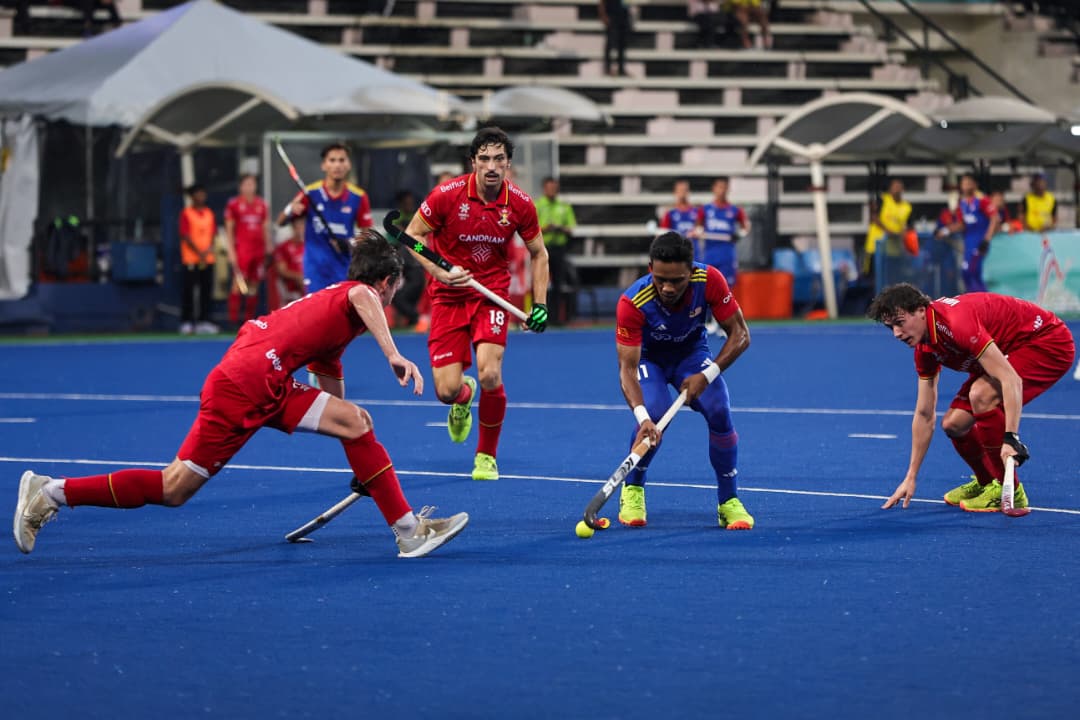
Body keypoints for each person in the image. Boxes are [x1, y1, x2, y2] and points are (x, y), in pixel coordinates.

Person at [13, 231, 469, 559]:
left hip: (258, 379)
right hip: (248, 381)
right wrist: (393, 354)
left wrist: (365, 465)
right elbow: (363, 298)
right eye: (394, 287)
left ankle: (408, 530)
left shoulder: (336, 320)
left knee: (354, 422)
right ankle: (54, 493)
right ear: (387, 283)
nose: (391, 296)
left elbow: (341, 410)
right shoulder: (357, 295)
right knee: (173, 487)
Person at [402, 126, 550, 481]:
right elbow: (411, 236)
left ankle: (486, 455)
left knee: (490, 372)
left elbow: (539, 254)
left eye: (499, 159)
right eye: (484, 159)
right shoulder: (446, 195)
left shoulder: (520, 203)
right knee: (446, 391)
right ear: (473, 162)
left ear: (508, 163)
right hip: (448, 296)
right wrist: (437, 271)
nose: (492, 166)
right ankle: (463, 396)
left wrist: (540, 304)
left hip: (491, 295)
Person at [867, 283, 1075, 512]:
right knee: (954, 424)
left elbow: (1010, 379)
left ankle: (1010, 492)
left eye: (900, 322)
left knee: (981, 395)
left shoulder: (955, 323)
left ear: (920, 310)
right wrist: (911, 476)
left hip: (1047, 341)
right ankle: (987, 482)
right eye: (890, 327)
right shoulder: (925, 349)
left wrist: (1011, 437)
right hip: (1007, 351)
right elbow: (925, 414)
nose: (896, 334)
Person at [614, 231, 754, 529]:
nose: (667, 287)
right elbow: (627, 368)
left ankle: (728, 500)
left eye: (676, 281)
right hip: (649, 359)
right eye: (660, 279)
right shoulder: (633, 301)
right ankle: (633, 489)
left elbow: (740, 334)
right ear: (650, 269)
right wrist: (642, 418)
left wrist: (708, 374)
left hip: (692, 355)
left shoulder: (710, 280)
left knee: (719, 409)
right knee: (655, 412)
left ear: (691, 272)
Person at [275, 142, 374, 295]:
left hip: (345, 268)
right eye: (332, 160)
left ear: (348, 165)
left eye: (342, 160)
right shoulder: (310, 193)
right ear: (324, 165)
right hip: (315, 271)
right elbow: (280, 222)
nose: (337, 165)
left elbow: (368, 236)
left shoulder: (359, 197)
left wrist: (349, 243)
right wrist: (289, 209)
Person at [224, 174, 272, 326]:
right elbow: (229, 230)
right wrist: (231, 251)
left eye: (252, 184)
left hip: (258, 250)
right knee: (238, 284)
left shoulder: (262, 205)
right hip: (242, 251)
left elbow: (265, 228)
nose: (250, 187)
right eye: (246, 184)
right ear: (241, 187)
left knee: (254, 285)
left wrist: (268, 247)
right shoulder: (234, 205)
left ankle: (248, 321)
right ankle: (232, 322)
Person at [535, 176, 577, 325]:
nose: (552, 190)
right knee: (540, 283)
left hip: (559, 249)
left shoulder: (564, 206)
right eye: (549, 188)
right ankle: (539, 317)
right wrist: (545, 229)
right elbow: (531, 228)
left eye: (554, 188)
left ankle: (556, 318)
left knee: (558, 283)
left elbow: (571, 228)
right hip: (541, 249)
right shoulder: (537, 205)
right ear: (544, 189)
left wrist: (560, 228)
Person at [694, 176, 749, 288]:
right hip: (710, 255)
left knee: (726, 288)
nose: (722, 190)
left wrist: (739, 234)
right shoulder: (705, 209)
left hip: (727, 255)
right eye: (719, 187)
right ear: (714, 188)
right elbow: (698, 227)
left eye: (724, 187)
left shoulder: (735, 210)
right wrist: (698, 232)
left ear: (728, 189)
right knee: (708, 287)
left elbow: (745, 227)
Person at [178, 183, 218, 336]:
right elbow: (185, 235)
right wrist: (199, 252)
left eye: (202, 193)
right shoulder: (186, 213)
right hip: (191, 260)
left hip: (207, 259)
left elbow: (213, 234)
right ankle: (186, 322)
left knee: (206, 291)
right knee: (188, 291)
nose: (201, 196)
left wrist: (207, 251)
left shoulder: (209, 213)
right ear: (192, 197)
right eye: (197, 194)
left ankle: (204, 321)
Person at [948, 173, 999, 293]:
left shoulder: (982, 201)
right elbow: (961, 224)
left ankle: (984, 300)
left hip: (979, 241)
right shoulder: (962, 204)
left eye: (969, 183)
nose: (966, 186)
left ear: (975, 185)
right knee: (966, 273)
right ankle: (972, 299)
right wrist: (945, 231)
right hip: (968, 242)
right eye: (964, 183)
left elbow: (994, 218)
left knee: (974, 271)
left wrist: (986, 239)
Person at [387, 190, 427, 329]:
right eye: (406, 202)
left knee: (400, 298)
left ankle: (418, 320)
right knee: (397, 297)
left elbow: (419, 245)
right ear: (401, 203)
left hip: (416, 270)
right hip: (404, 270)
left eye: (411, 202)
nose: (409, 204)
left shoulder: (418, 217)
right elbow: (391, 241)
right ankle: (413, 322)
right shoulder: (396, 219)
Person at [862, 178, 913, 279]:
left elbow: (908, 226)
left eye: (899, 187)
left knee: (892, 278)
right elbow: (873, 217)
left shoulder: (907, 207)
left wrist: (903, 234)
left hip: (894, 250)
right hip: (876, 247)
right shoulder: (882, 200)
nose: (897, 190)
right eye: (895, 187)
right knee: (873, 278)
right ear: (890, 189)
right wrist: (888, 231)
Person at [659, 178, 701, 261]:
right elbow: (662, 235)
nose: (682, 193)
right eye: (680, 190)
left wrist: (698, 231)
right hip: (676, 255)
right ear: (675, 192)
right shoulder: (670, 213)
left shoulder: (696, 212)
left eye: (685, 190)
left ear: (688, 192)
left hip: (693, 254)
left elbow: (700, 229)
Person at [270, 222, 305, 310]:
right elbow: (282, 271)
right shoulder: (284, 247)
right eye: (299, 227)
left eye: (304, 227)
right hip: (292, 288)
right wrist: (298, 276)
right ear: (293, 228)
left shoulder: (308, 247)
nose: (302, 230)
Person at [599, 0, 631, 77]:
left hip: (623, 16)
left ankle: (621, 69)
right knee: (610, 43)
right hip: (612, 16)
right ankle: (607, 68)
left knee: (622, 44)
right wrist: (603, 15)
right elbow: (602, 2)